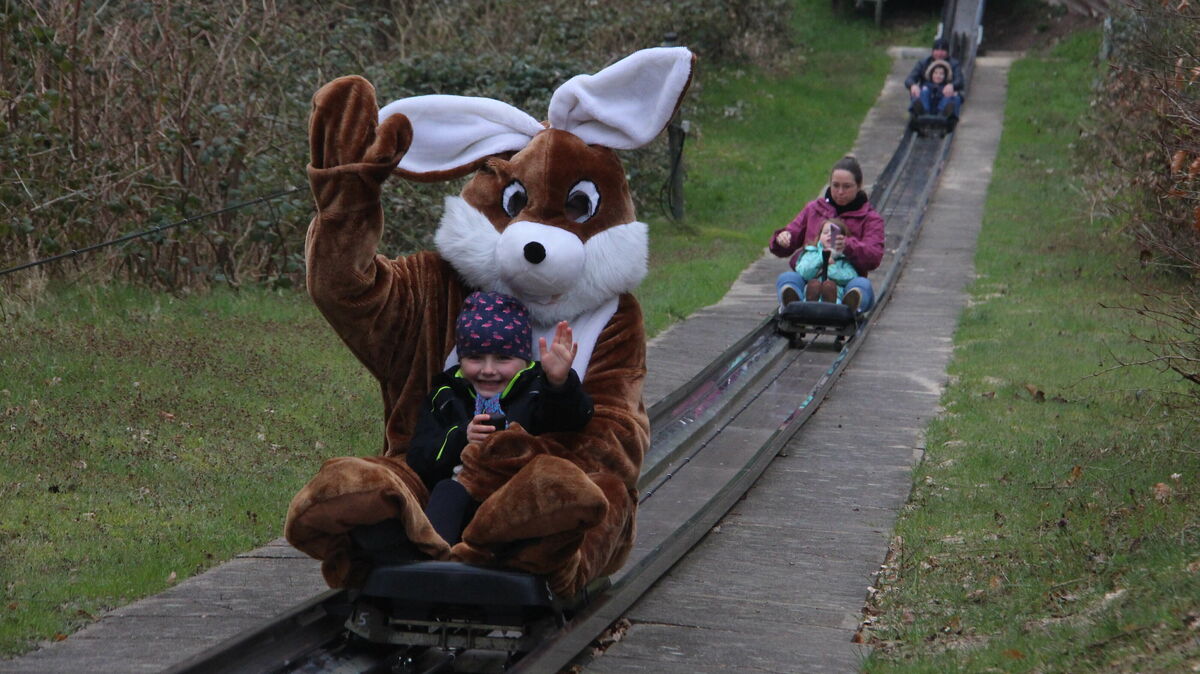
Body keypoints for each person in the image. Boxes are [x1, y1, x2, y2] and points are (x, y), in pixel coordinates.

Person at [405, 291, 594, 545]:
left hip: (520, 497)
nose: (488, 370)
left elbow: (574, 419)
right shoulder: (446, 393)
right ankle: (433, 561)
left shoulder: (538, 387)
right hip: (463, 495)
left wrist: (559, 384)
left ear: (524, 359)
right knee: (447, 491)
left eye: (503, 358)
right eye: (475, 358)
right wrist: (462, 437)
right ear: (460, 358)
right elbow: (419, 456)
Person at [770, 155, 885, 314]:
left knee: (862, 285)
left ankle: (848, 304)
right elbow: (790, 235)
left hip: (845, 282)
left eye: (847, 186)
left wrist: (847, 246)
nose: (840, 192)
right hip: (810, 280)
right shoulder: (814, 209)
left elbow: (874, 256)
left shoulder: (870, 218)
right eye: (835, 185)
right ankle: (794, 301)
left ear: (859, 186)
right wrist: (782, 239)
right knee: (787, 278)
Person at [791, 218, 860, 304]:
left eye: (834, 233)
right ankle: (812, 299)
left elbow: (851, 277)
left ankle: (829, 298)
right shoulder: (811, 253)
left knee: (830, 288)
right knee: (813, 286)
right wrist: (822, 259)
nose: (829, 235)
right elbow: (803, 272)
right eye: (826, 232)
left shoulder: (844, 258)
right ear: (819, 236)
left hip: (836, 297)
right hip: (809, 295)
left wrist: (831, 266)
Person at [905, 37, 964, 120]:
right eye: (937, 50)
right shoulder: (923, 63)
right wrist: (913, 85)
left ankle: (944, 113)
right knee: (921, 93)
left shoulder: (954, 64)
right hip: (928, 93)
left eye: (943, 50)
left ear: (947, 52)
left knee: (954, 97)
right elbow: (909, 79)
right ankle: (922, 111)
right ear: (932, 51)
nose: (939, 53)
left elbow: (960, 80)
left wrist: (952, 86)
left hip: (944, 93)